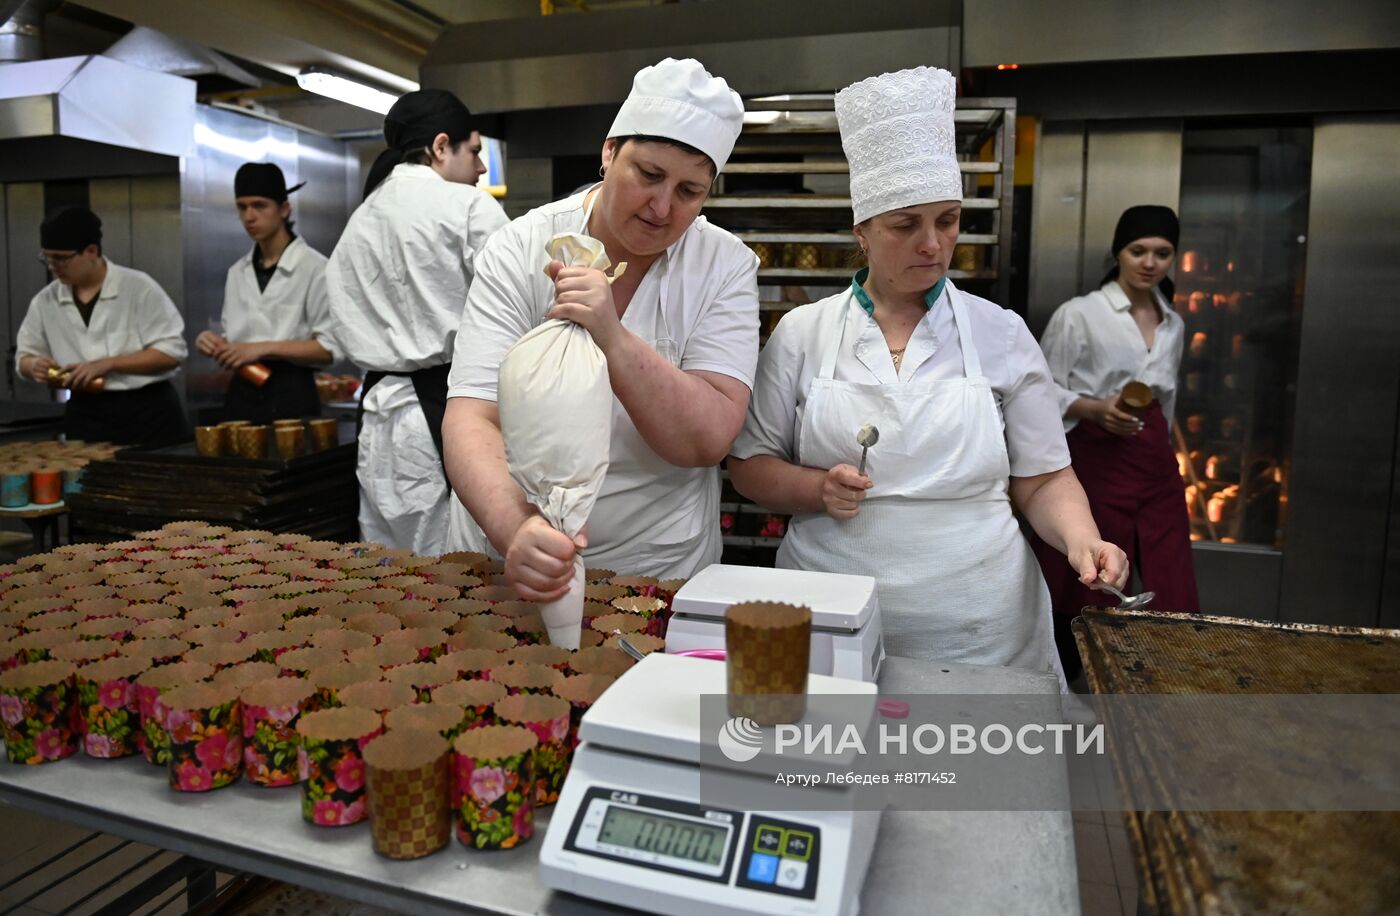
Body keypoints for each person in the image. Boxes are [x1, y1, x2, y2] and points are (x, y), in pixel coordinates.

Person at [727, 67, 1127, 675]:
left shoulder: (1001, 334)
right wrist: (815, 489)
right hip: (829, 617)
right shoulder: (803, 333)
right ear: (863, 232)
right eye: (906, 224)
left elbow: (1044, 479)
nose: (933, 244)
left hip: (980, 629)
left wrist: (1082, 538)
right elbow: (750, 467)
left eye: (947, 220)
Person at [444, 57, 757, 599]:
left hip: (654, 562)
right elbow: (473, 416)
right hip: (510, 549)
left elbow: (708, 439)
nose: (662, 207)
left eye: (689, 191)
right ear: (609, 153)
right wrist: (516, 529)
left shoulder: (723, 266)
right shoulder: (520, 248)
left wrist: (613, 337)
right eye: (649, 175)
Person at [326, 89, 509, 554]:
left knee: (386, 564)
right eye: (474, 152)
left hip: (379, 418)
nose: (480, 168)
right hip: (453, 411)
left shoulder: (359, 219)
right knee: (457, 566)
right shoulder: (468, 206)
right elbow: (519, 308)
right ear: (441, 146)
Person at [1035, 205, 1200, 675]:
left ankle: (1162, 675)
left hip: (1153, 458)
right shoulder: (1080, 314)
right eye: (1138, 251)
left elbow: (1167, 399)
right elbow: (1041, 390)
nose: (1150, 263)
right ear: (1118, 254)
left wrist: (1164, 450)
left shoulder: (1173, 323)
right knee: (1089, 572)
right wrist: (1093, 409)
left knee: (1172, 574)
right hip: (1096, 455)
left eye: (1162, 253)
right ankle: (1079, 673)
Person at [16, 207, 190, 446]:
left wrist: (108, 364)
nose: (52, 266)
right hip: (85, 412)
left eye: (61, 258)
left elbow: (172, 353)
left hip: (147, 410)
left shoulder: (138, 288)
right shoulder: (45, 301)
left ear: (91, 251)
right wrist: (32, 365)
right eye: (47, 257)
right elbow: (24, 356)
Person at [195, 162, 336, 423]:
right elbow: (239, 336)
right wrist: (215, 342)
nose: (249, 216)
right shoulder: (237, 272)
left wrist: (262, 349)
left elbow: (328, 349)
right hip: (242, 390)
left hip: (292, 392)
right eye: (242, 207)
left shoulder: (315, 268)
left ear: (284, 209)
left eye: (259, 206)